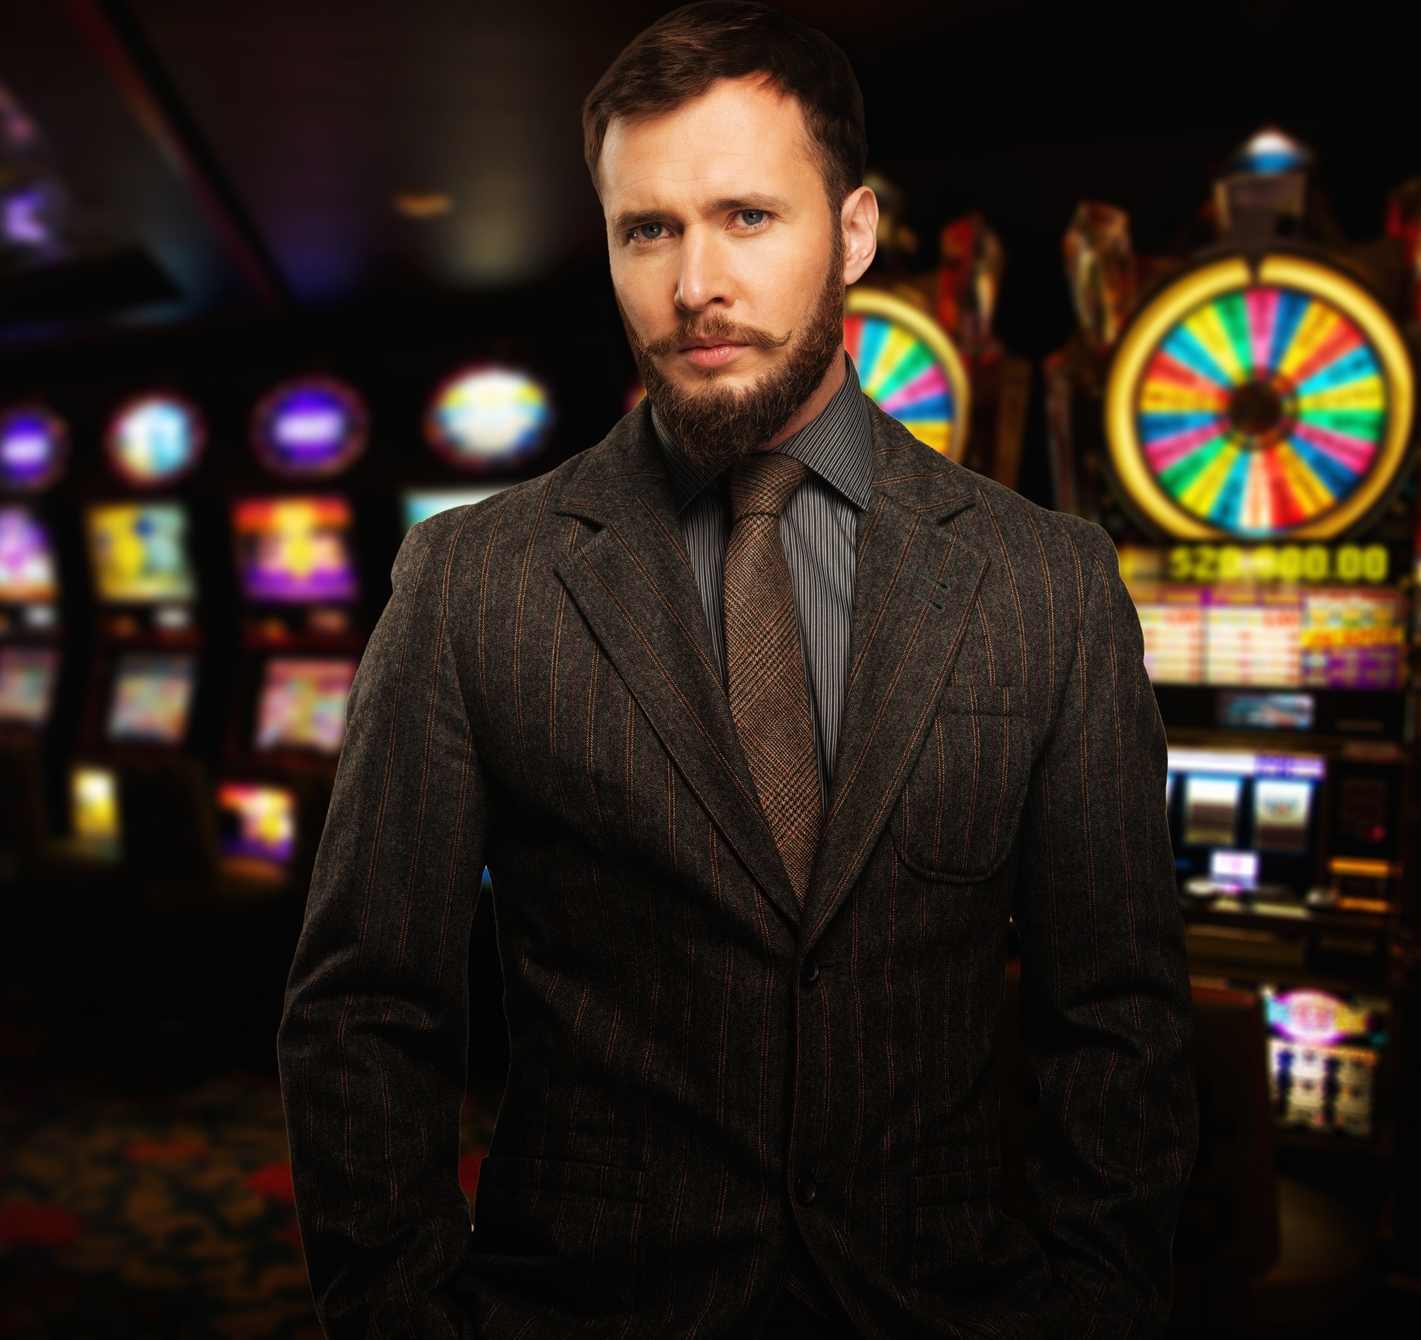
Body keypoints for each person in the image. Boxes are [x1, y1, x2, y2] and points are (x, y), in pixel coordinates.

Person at [277, 4, 1195, 1335]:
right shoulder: (472, 580)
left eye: (749, 217)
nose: (694, 281)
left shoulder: (1043, 582)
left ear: (858, 233)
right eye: (648, 229)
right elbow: (363, 1008)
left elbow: (1118, 1019)